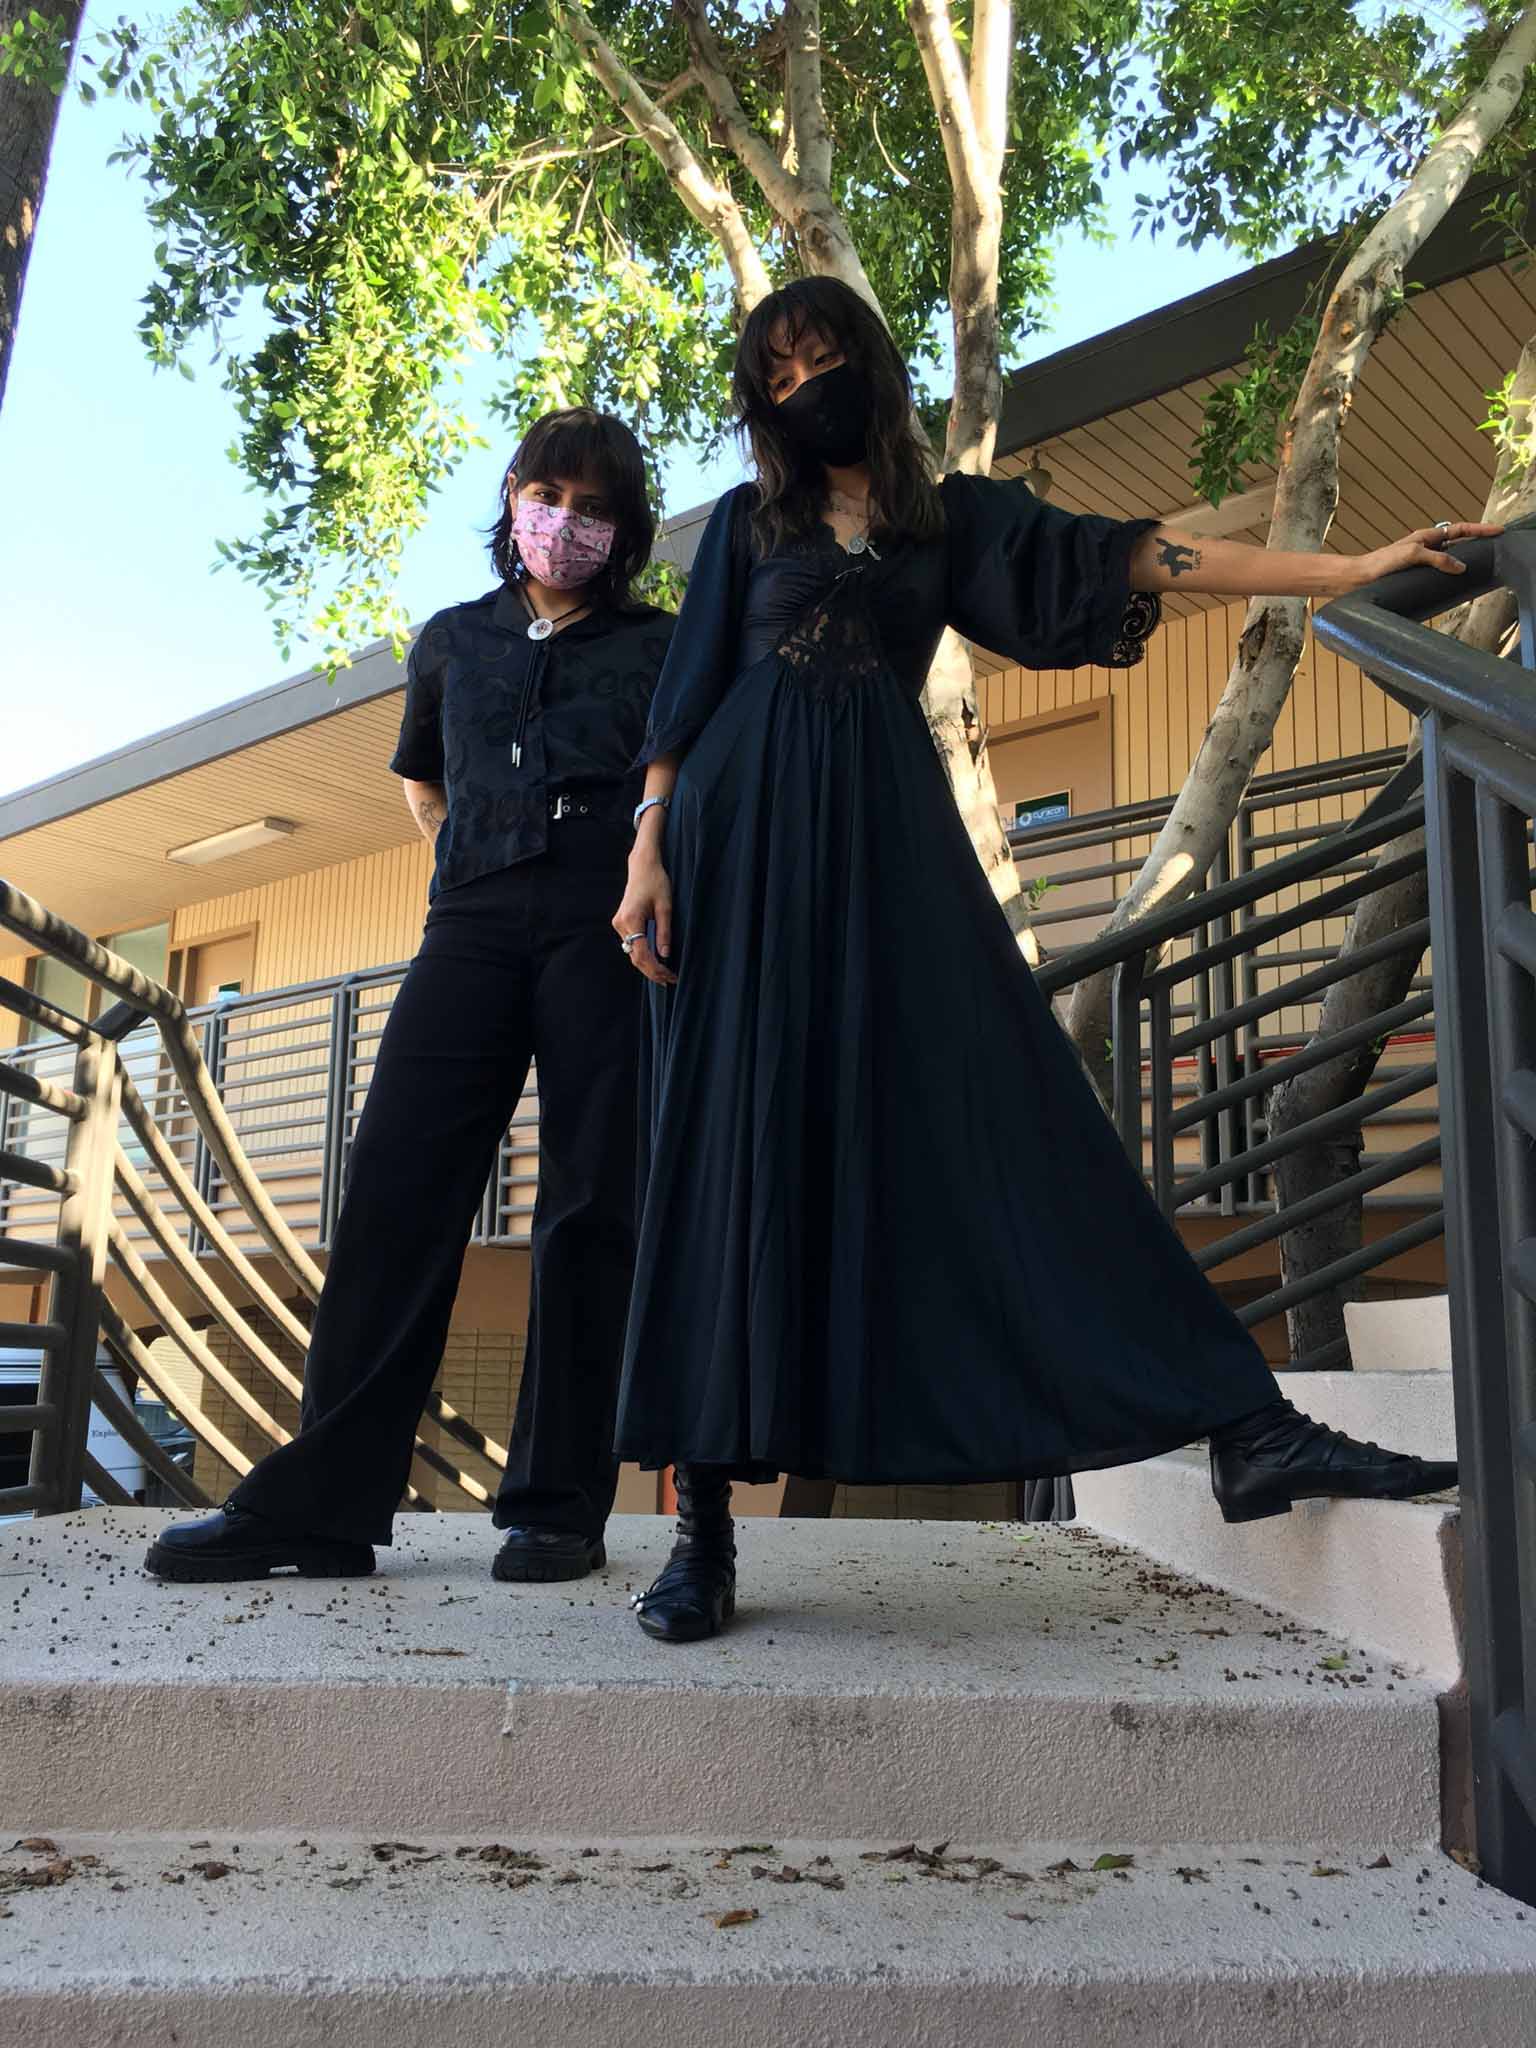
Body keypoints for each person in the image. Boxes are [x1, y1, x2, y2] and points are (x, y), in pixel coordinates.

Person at [611, 276, 1483, 1644]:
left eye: (824, 354)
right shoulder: (745, 525)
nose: (803, 384)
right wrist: (648, 849)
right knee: (730, 1154)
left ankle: (1244, 1426)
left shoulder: (945, 518)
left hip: (890, 848)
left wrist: (1353, 570)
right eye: (776, 371)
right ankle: (703, 1533)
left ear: (870, 365)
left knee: (1018, 1111)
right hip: (740, 852)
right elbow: (685, 699)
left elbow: (1137, 558)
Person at [147, 408, 675, 1586]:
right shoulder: (452, 640)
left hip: (605, 915)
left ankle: (557, 1504)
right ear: (513, 495)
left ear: (624, 526)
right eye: (550, 494)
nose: (567, 521)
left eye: (595, 506)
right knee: (394, 1179)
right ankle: (324, 1507)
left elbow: (673, 784)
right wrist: (466, 857)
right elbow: (422, 784)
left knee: (592, 1201)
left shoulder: (659, 646)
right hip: (473, 920)